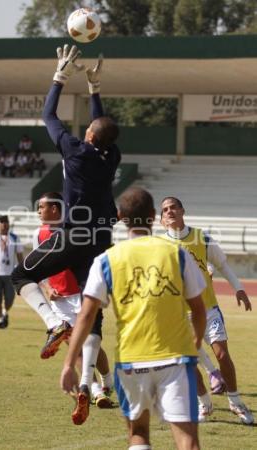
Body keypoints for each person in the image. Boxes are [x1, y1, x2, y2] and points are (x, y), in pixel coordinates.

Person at [60, 187, 206, 449]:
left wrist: (70, 363)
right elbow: (198, 308)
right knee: (188, 439)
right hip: (176, 359)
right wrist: (193, 345)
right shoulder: (177, 254)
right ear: (152, 216)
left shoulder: (107, 259)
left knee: (138, 432)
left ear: (119, 217)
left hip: (131, 360)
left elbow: (86, 315)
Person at [11, 45, 120, 391]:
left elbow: (49, 115)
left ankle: (54, 322)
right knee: (94, 311)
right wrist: (94, 90)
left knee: (21, 274)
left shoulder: (75, 149)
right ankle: (90, 382)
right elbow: (102, 126)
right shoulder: (112, 154)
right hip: (102, 241)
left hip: (75, 234)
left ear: (89, 135)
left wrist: (60, 77)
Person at [160, 196, 254, 425]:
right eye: (165, 210)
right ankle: (205, 404)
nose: (170, 211)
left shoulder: (203, 238)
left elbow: (222, 265)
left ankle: (235, 401)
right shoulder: (159, 246)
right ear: (161, 220)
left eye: (174, 207)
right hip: (179, 315)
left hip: (208, 309)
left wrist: (239, 289)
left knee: (222, 354)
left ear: (183, 211)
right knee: (189, 363)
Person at [33, 191, 113, 416]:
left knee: (92, 344)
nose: (39, 211)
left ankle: (108, 380)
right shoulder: (39, 234)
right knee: (75, 346)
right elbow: (36, 268)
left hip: (81, 294)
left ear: (55, 209)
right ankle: (95, 390)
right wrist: (48, 288)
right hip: (59, 301)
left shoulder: (75, 230)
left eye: (42, 207)